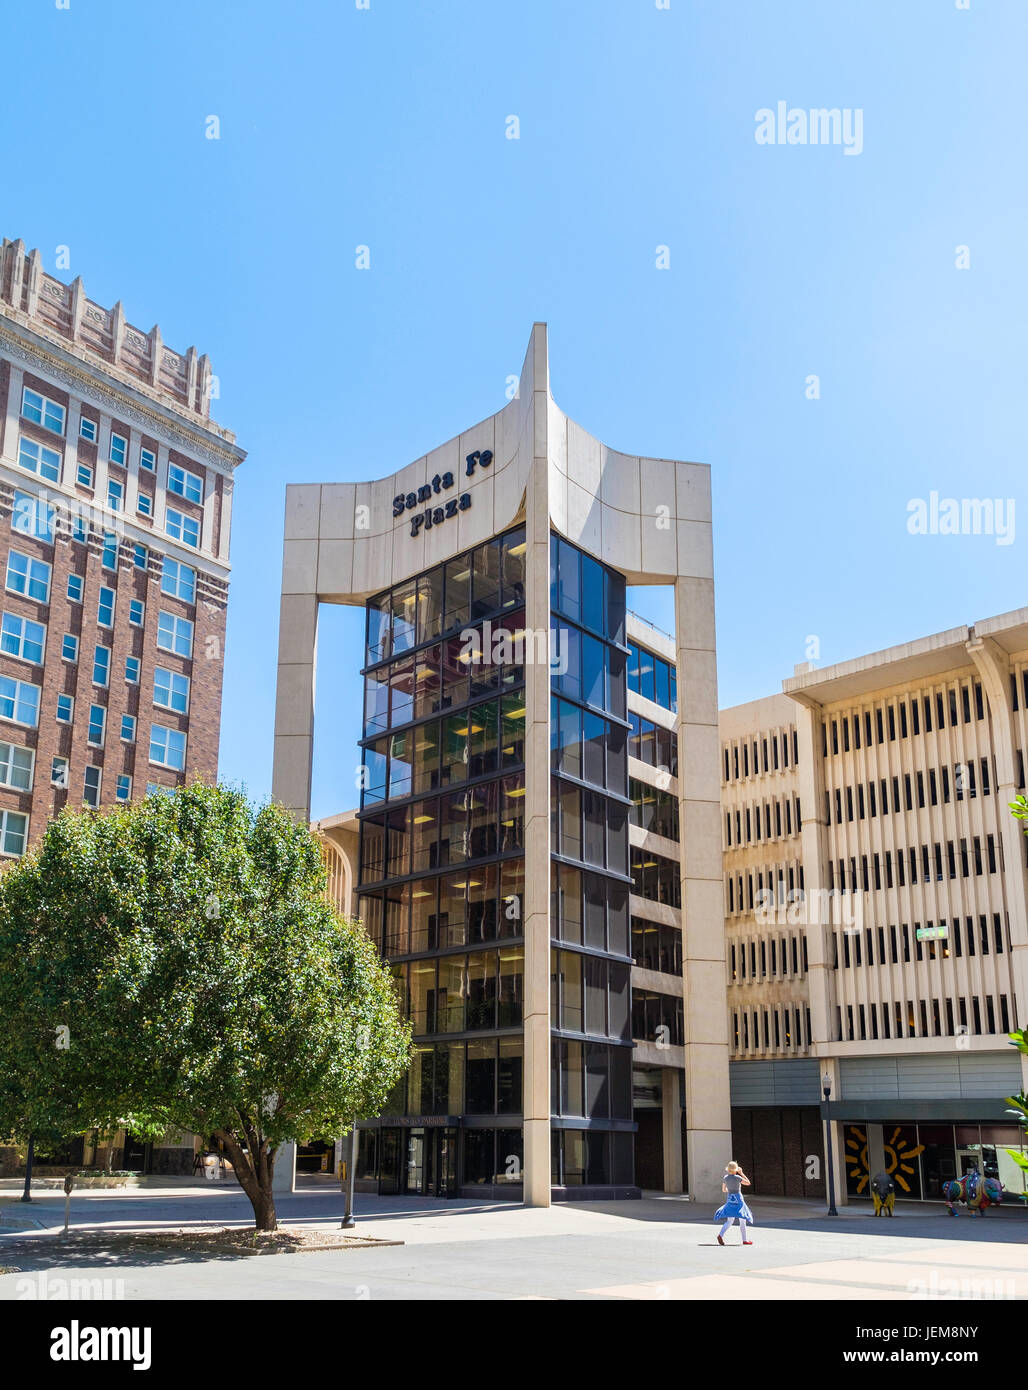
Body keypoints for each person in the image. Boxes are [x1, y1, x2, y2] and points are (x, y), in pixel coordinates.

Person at [714, 1161, 754, 1245]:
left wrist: (730, 1190)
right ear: (735, 1169)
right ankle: (744, 1240)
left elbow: (724, 1190)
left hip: (730, 1200)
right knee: (742, 1220)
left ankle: (720, 1235)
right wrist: (741, 1173)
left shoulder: (726, 1177)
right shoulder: (737, 1178)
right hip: (739, 1200)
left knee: (730, 1221)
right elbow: (748, 1183)